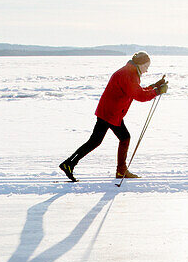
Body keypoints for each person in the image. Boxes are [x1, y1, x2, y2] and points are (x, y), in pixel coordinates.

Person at [60, 52, 168, 182]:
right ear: (140, 64)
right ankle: (120, 170)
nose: (147, 70)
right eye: (146, 66)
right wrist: (157, 91)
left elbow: (137, 90)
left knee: (96, 140)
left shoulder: (130, 71)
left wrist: (155, 86)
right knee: (123, 137)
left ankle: (69, 164)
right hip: (111, 113)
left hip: (110, 111)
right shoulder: (129, 74)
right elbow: (139, 95)